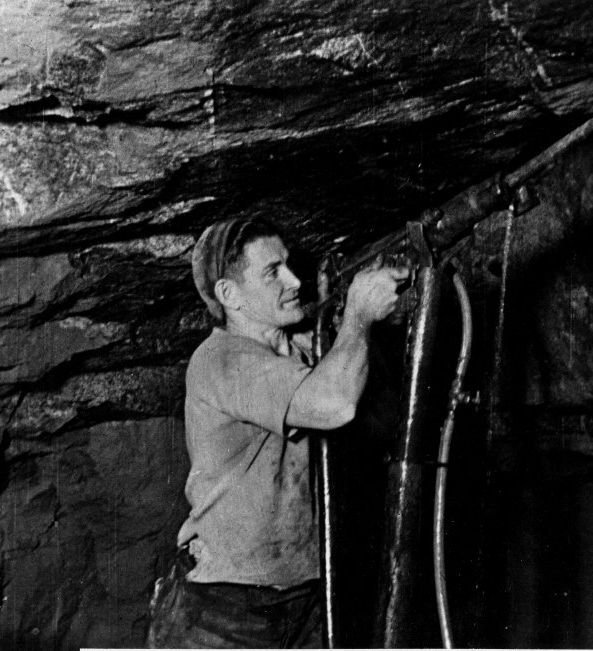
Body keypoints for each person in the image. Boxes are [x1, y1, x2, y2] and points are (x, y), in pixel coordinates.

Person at [147, 217, 408, 648]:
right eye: (272, 272)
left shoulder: (298, 348)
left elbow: (379, 416)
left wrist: (361, 320)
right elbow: (334, 403)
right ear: (229, 295)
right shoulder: (222, 360)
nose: (294, 280)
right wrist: (359, 317)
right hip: (221, 610)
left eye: (289, 264)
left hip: (302, 597)